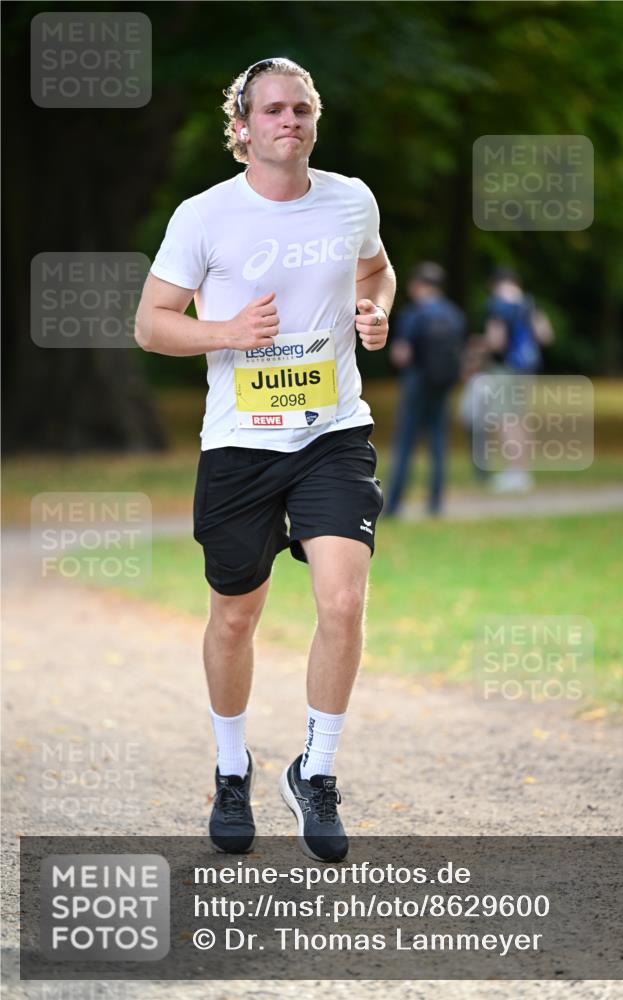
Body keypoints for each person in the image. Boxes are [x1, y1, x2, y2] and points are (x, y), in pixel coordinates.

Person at [134, 57, 395, 863]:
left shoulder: (350, 199)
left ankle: (314, 774)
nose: (290, 121)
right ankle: (229, 767)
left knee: (342, 603)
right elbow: (151, 323)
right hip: (239, 444)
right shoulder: (204, 216)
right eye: (274, 110)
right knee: (235, 615)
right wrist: (222, 334)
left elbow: (376, 271)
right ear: (241, 127)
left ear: (314, 120)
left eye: (302, 109)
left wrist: (373, 312)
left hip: (332, 434)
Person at [385, 262, 465, 516]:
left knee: (405, 443)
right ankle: (435, 504)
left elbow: (402, 355)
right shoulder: (454, 314)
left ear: (417, 285)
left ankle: (395, 504)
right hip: (442, 386)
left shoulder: (414, 314)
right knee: (438, 444)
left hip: (416, 383)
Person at [482, 266, 553, 493]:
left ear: (494, 284)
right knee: (522, 419)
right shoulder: (529, 303)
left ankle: (513, 473)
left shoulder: (497, 305)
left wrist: (481, 347)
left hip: (505, 370)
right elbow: (546, 336)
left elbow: (497, 342)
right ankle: (523, 471)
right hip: (526, 368)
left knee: (506, 419)